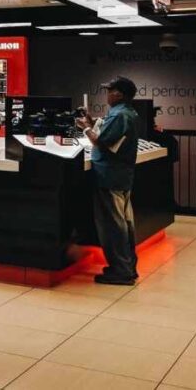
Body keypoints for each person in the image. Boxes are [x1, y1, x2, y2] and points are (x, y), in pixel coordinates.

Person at [77, 76, 141, 285]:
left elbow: (103, 142)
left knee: (113, 226)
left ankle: (121, 271)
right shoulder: (127, 113)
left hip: (109, 176)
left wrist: (85, 128)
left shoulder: (120, 115)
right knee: (124, 224)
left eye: (110, 91)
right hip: (121, 177)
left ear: (119, 94)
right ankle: (128, 266)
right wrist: (92, 122)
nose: (107, 94)